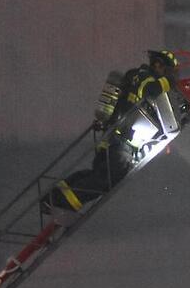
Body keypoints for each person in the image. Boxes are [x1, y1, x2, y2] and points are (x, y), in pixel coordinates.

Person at [43, 50, 179, 214]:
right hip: (120, 143)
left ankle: (54, 196)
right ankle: (60, 202)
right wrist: (169, 82)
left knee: (97, 175)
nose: (169, 75)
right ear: (158, 65)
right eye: (168, 71)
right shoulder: (145, 78)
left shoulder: (133, 76)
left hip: (111, 139)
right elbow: (150, 89)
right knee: (106, 180)